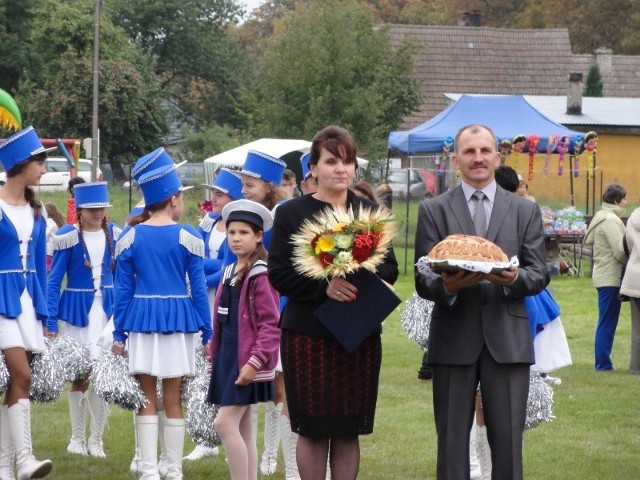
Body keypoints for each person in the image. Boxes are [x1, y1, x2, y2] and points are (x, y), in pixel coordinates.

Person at [414, 124, 548, 480]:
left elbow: (539, 273)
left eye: (485, 151)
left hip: (507, 339)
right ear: (455, 159)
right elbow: (423, 278)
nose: (478, 158)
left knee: (508, 446)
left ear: (497, 157)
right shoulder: (433, 210)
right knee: (451, 444)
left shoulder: (524, 211)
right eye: (469, 152)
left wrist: (513, 279)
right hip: (453, 338)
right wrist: (450, 287)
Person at [268, 125, 399, 480]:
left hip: (358, 335)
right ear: (313, 168)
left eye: (347, 161)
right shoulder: (291, 214)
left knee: (347, 428)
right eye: (331, 161)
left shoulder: (370, 212)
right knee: (312, 427)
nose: (340, 168)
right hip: (307, 334)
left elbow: (390, 267)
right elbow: (278, 274)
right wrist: (324, 286)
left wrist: (356, 267)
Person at [111, 159, 212, 479]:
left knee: (146, 395)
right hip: (178, 320)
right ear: (173, 200)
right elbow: (197, 288)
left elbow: (122, 291)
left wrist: (118, 332)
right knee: (172, 395)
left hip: (140, 320)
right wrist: (207, 330)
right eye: (181, 198)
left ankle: (150, 470)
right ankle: (173, 469)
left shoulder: (131, 236)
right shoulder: (189, 235)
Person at [207, 199, 280, 480]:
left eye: (244, 233)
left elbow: (271, 325)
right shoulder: (229, 271)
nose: (236, 238)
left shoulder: (261, 275)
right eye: (232, 232)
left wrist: (255, 361)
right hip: (228, 357)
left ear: (259, 236)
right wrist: (212, 352)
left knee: (224, 424)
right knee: (243, 427)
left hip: (247, 360)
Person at [46, 182, 120, 458]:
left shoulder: (115, 233)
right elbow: (54, 282)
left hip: (108, 314)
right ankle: (76, 438)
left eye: (101, 208)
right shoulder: (67, 235)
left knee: (102, 375)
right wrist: (51, 321)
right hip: (78, 313)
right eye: (91, 209)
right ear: (80, 209)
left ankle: (96, 440)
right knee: (80, 375)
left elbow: (124, 277)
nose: (98, 213)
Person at [0, 126, 55, 479]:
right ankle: (25, 460)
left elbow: (41, 270)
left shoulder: (37, 211)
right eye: (40, 163)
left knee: (16, 383)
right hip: (1, 300)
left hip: (27, 302)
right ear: (22, 164)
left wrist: (47, 315)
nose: (44, 171)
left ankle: (6, 466)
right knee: (22, 374)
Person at [183, 167, 244, 462]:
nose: (214, 198)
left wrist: (202, 276)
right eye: (214, 193)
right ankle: (204, 436)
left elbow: (227, 267)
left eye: (219, 194)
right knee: (200, 365)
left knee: (217, 362)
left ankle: (224, 432)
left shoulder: (238, 225)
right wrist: (204, 271)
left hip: (222, 297)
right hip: (201, 298)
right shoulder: (208, 223)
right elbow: (199, 259)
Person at [236, 151, 290, 476]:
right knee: (254, 381)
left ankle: (273, 454)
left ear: (269, 186)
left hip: (277, 301)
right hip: (251, 303)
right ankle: (259, 454)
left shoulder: (283, 213)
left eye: (250, 185)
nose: (243, 191)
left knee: (278, 385)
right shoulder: (247, 213)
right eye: (242, 185)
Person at [584, 183, 628, 371]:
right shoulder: (610, 220)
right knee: (608, 322)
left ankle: (603, 362)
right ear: (616, 200)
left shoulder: (602, 216)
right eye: (624, 198)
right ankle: (603, 364)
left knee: (606, 320)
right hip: (610, 277)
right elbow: (620, 250)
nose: (627, 202)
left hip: (603, 276)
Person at [620, 206, 640, 374]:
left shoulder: (634, 217)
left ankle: (635, 367)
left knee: (636, 326)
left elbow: (624, 245)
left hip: (634, 276)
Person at [44, 202, 64, 273]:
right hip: (52, 252)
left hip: (47, 251)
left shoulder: (49, 221)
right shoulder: (56, 223)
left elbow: (45, 234)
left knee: (45, 271)